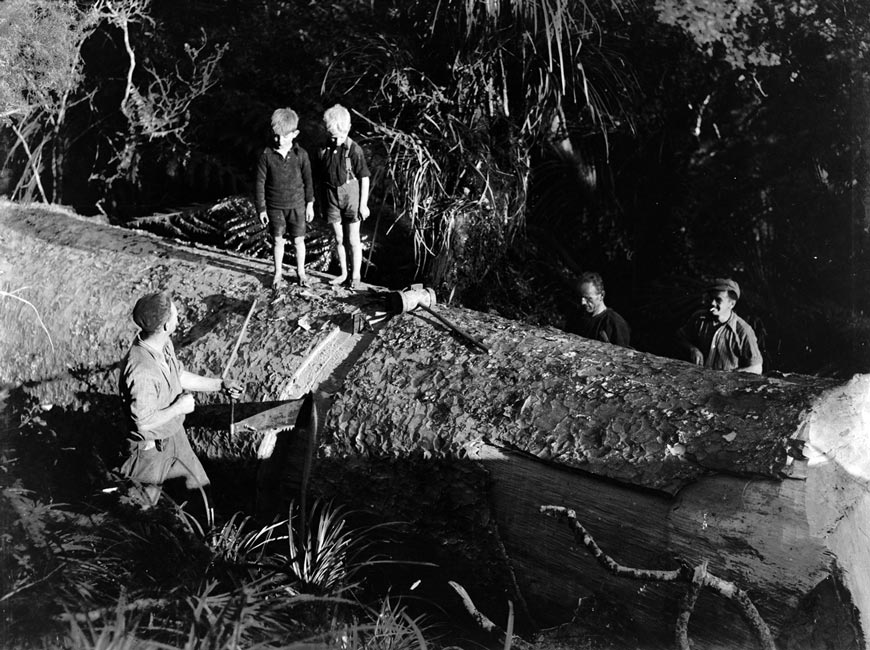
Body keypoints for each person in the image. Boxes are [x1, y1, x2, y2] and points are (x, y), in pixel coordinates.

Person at [118, 291, 243, 506]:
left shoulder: (162, 344)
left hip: (175, 436)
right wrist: (179, 408)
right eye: (175, 315)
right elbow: (143, 422)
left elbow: (178, 375)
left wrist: (219, 385)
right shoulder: (142, 370)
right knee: (140, 509)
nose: (179, 317)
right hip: (149, 449)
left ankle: (205, 536)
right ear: (165, 326)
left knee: (200, 493)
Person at [256, 108, 315, 289]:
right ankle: (278, 273)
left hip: (297, 206)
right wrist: (262, 208)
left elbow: (308, 181)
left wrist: (310, 204)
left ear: (295, 134)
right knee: (277, 240)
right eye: (276, 136)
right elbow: (260, 183)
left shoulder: (301, 155)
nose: (279, 140)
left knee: (298, 241)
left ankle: (301, 272)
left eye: (284, 136)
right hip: (275, 207)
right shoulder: (266, 155)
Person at [317, 104, 371, 290]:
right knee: (339, 238)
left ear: (347, 129)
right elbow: (320, 177)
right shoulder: (323, 149)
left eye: (339, 137)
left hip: (351, 199)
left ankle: (356, 275)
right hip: (331, 197)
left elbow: (364, 178)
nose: (336, 140)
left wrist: (363, 205)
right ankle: (344, 273)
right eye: (332, 136)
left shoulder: (354, 150)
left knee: (353, 239)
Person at [677, 278, 763, 374]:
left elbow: (756, 368)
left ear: (731, 304)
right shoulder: (699, 319)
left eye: (718, 300)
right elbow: (681, 337)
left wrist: (728, 376)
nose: (712, 303)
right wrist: (693, 349)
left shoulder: (743, 331)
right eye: (711, 298)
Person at [573, 272, 631, 347]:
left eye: (588, 298)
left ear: (602, 295)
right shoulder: (578, 318)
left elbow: (623, 355)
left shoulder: (614, 323)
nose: (583, 302)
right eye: (581, 297)